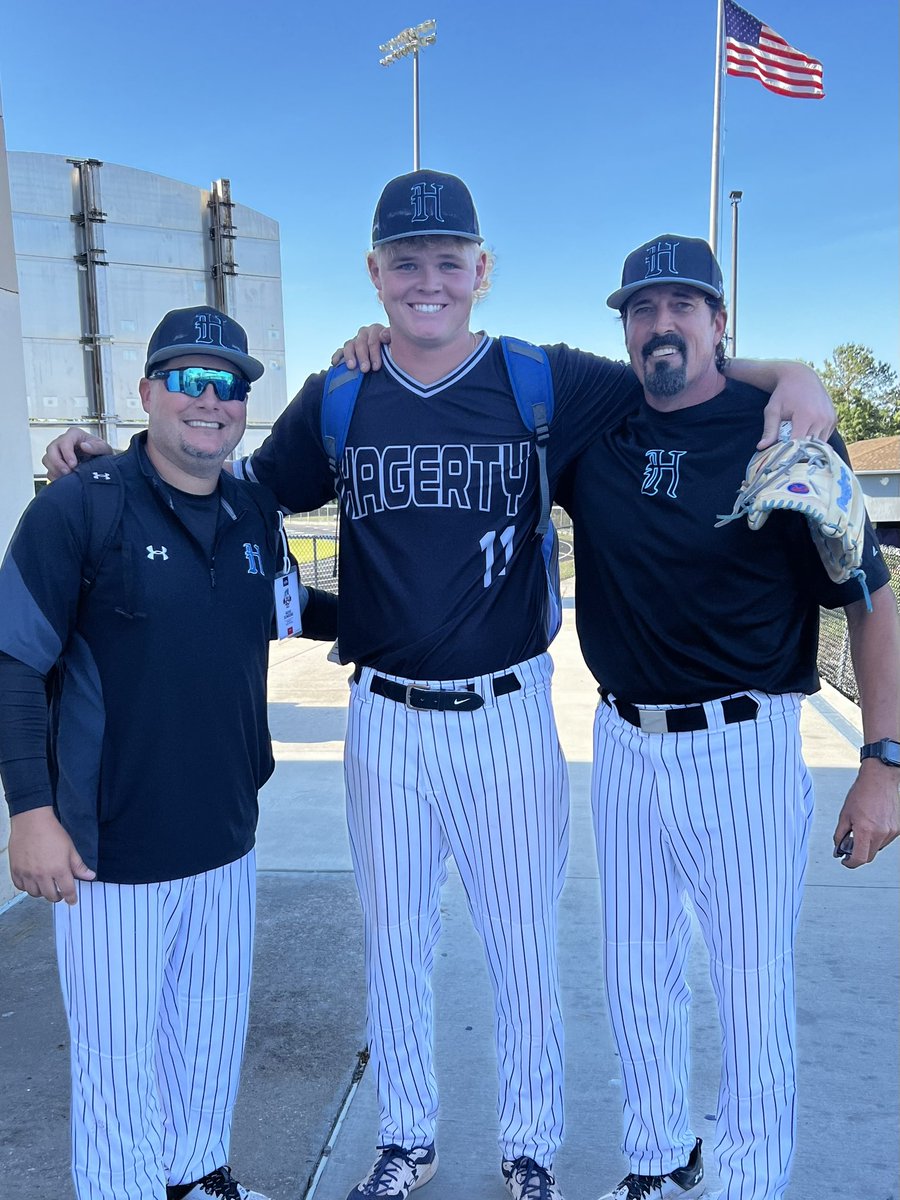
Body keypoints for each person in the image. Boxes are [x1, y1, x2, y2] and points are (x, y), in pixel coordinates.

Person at [41, 173, 837, 1200]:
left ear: (481, 271)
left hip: (508, 711)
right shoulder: (340, 393)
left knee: (522, 949)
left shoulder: (544, 379)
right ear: (375, 274)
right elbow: (218, 476)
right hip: (383, 715)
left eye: (447, 260)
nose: (427, 280)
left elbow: (677, 373)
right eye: (405, 262)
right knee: (398, 945)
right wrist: (105, 460)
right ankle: (405, 1138)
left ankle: (530, 1146)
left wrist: (798, 374)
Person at [549, 235, 898, 1200]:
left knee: (749, 988)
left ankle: (748, 1178)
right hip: (622, 744)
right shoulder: (599, 424)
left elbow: (870, 599)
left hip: (741, 744)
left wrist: (884, 764)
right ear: (624, 326)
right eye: (642, 308)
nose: (662, 324)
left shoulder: (781, 429)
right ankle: (657, 1161)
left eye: (683, 306)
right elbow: (464, 351)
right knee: (635, 978)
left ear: (718, 321)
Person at [0, 306, 337, 1200]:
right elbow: (13, 663)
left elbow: (299, 612)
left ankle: (196, 1179)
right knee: (117, 1058)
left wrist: (434, 619)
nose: (208, 401)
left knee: (211, 1031)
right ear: (146, 393)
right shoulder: (82, 504)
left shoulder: (251, 509)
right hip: (110, 848)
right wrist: (30, 811)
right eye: (186, 381)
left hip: (227, 832)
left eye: (227, 386)